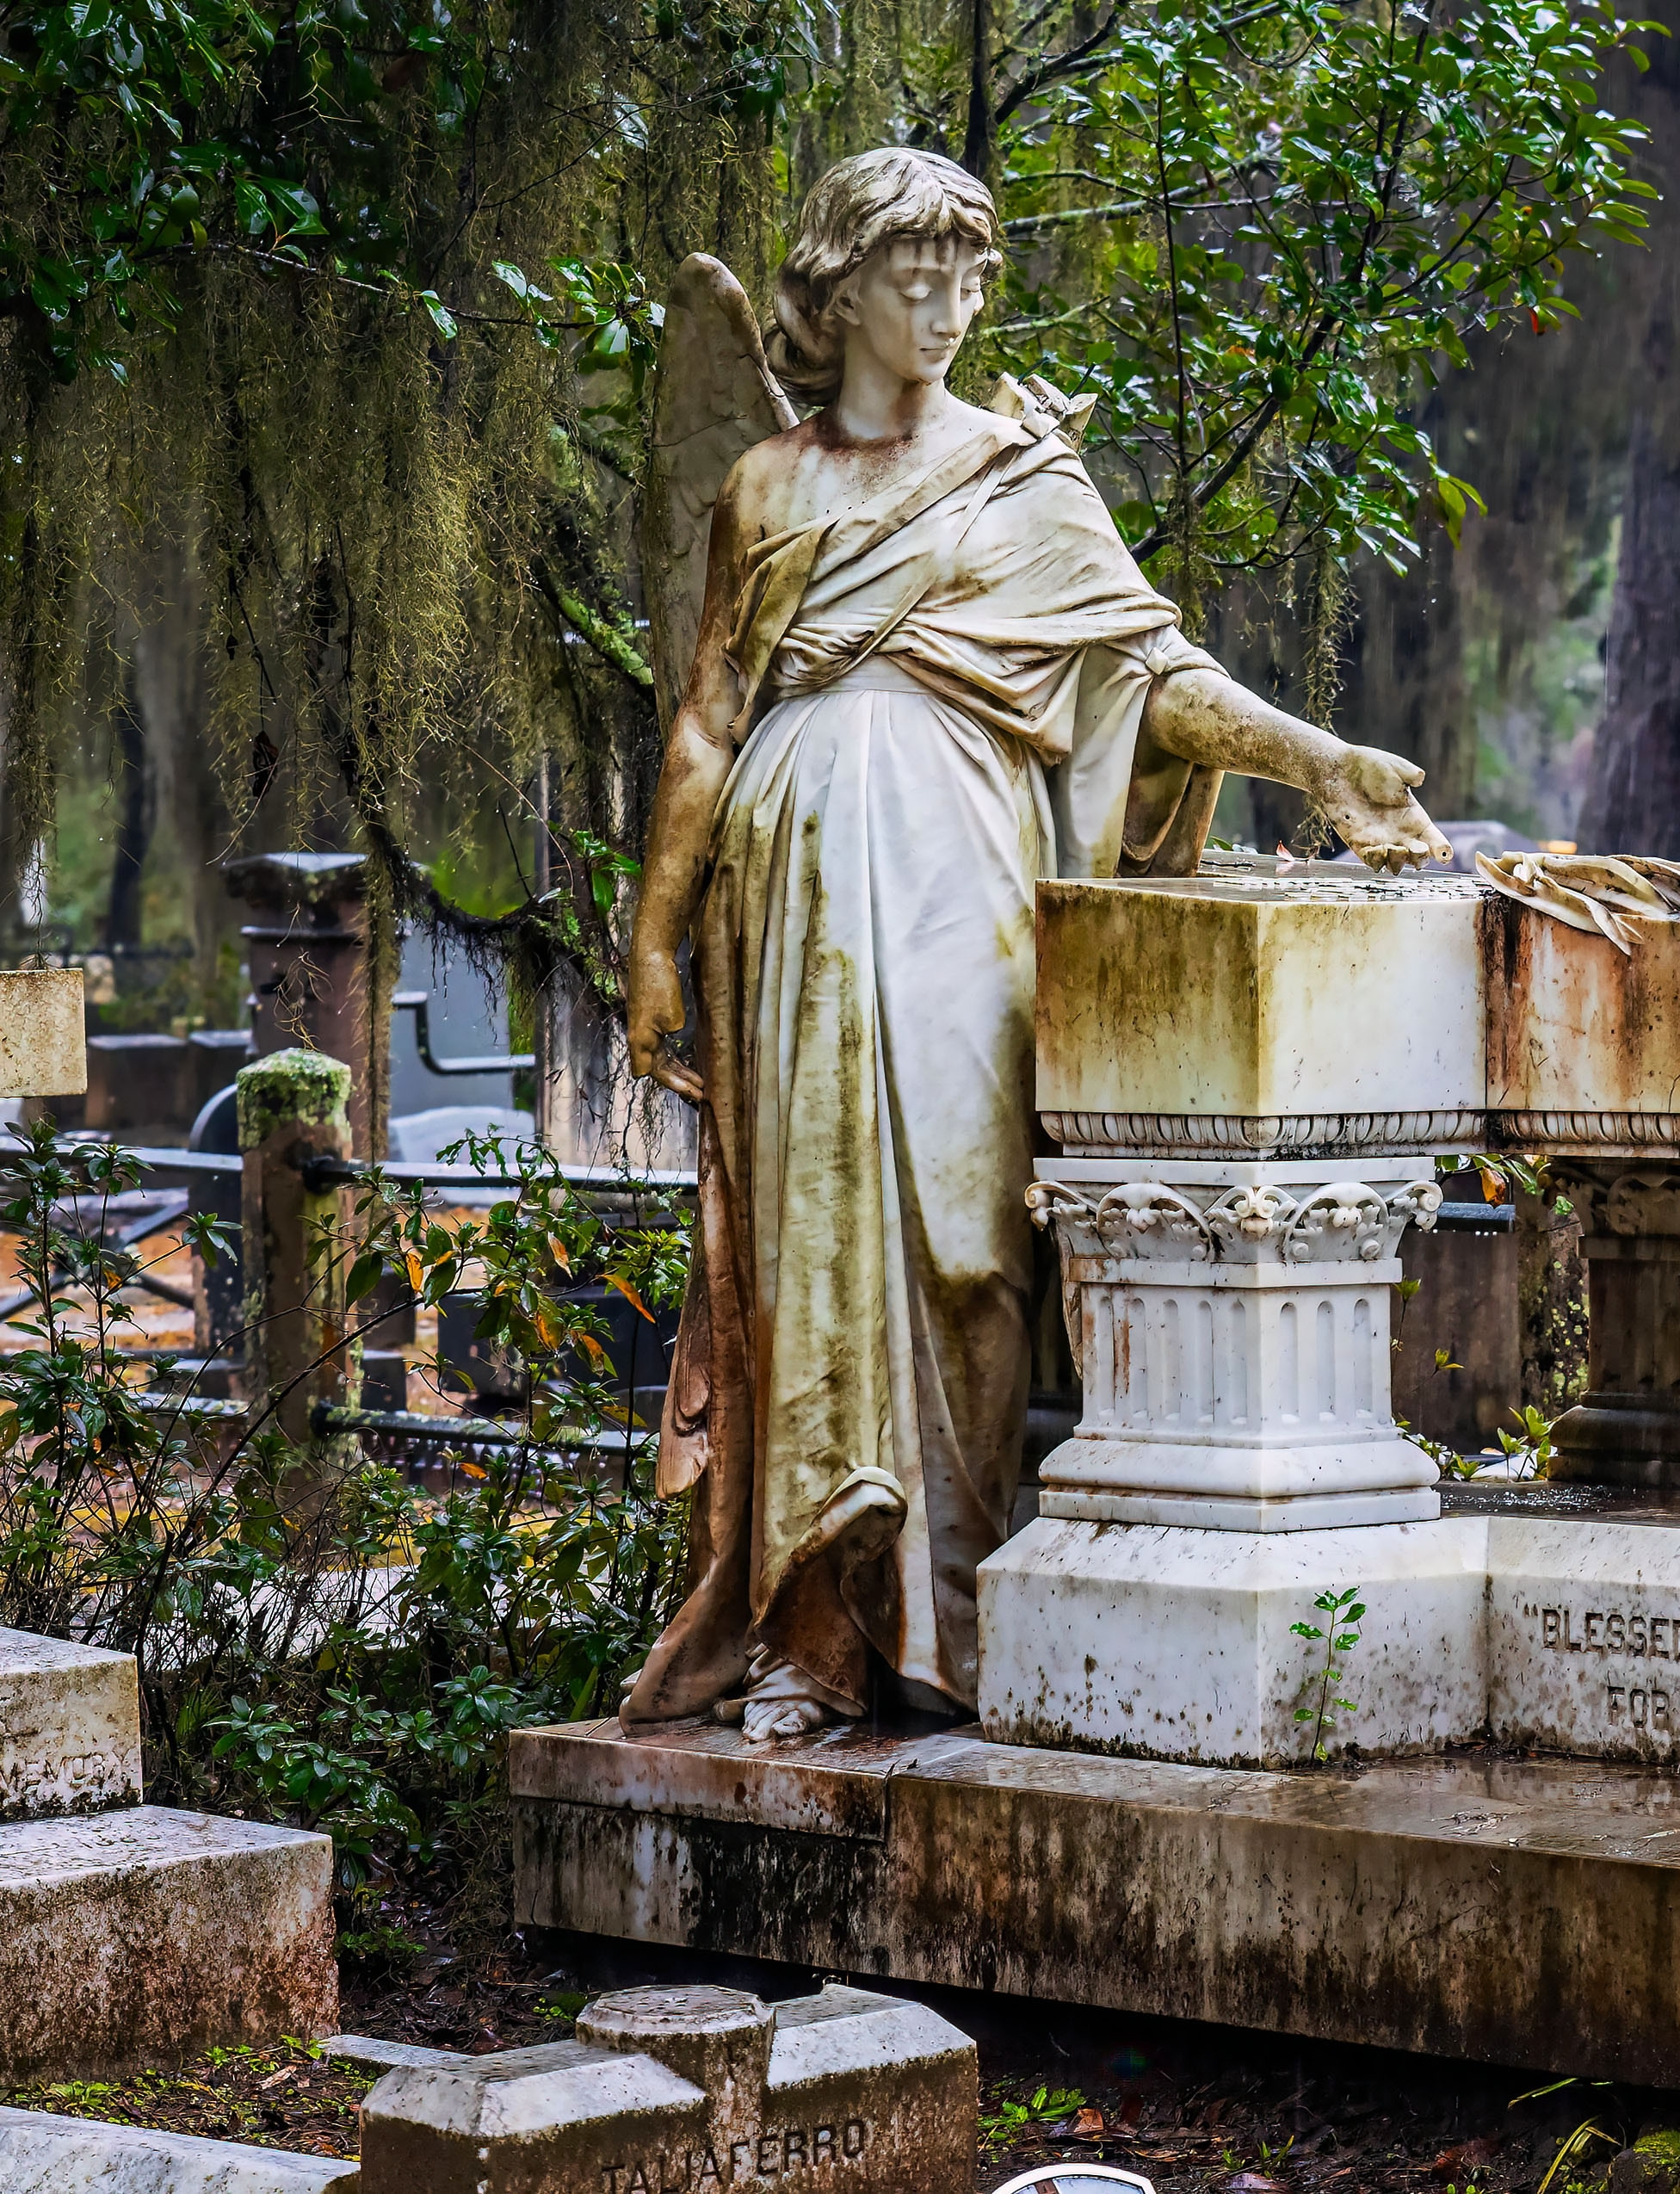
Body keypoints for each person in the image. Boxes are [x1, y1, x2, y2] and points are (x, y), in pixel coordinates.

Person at [615, 147, 1447, 1740]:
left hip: (961, 886)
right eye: (911, 272)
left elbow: (1150, 673)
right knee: (810, 1245)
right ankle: (812, 1632)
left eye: (967, 274)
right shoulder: (766, 488)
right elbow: (709, 727)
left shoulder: (1023, 480)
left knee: (970, 1238)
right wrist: (657, 943)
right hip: (785, 905)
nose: (944, 302)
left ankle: (964, 1602)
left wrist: (1316, 759)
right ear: (838, 288)